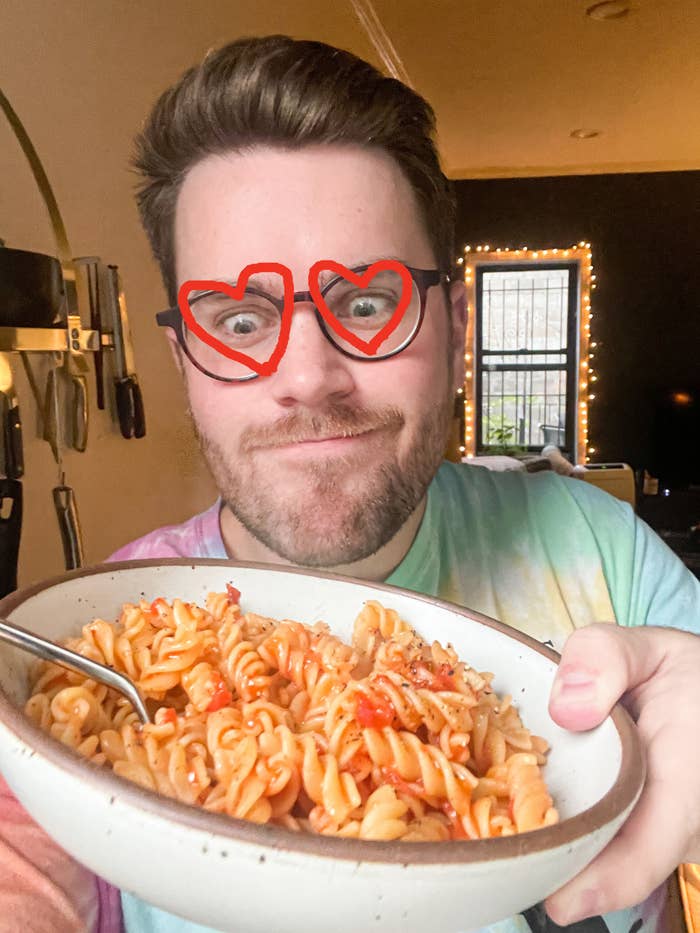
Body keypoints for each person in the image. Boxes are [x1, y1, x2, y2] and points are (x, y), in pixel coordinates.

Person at [1, 35, 699, 933]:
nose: (308, 375)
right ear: (183, 362)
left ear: (453, 330)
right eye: (241, 319)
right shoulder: (100, 650)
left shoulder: (604, 552)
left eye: (365, 303)